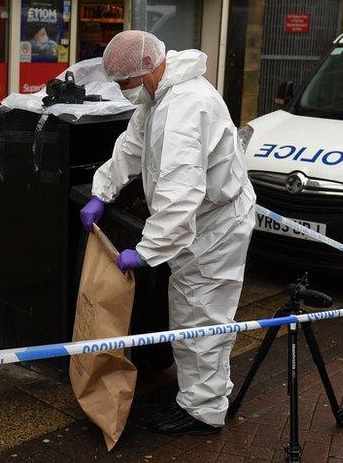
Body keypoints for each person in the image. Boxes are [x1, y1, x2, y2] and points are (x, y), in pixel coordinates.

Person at [79, 30, 256, 436]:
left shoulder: (184, 109)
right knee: (192, 312)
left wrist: (146, 251)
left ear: (144, 71)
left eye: (123, 83)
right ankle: (203, 394)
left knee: (202, 319)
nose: (122, 92)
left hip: (216, 229)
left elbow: (179, 195)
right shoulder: (161, 95)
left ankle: (203, 411)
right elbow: (132, 146)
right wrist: (101, 191)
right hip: (205, 224)